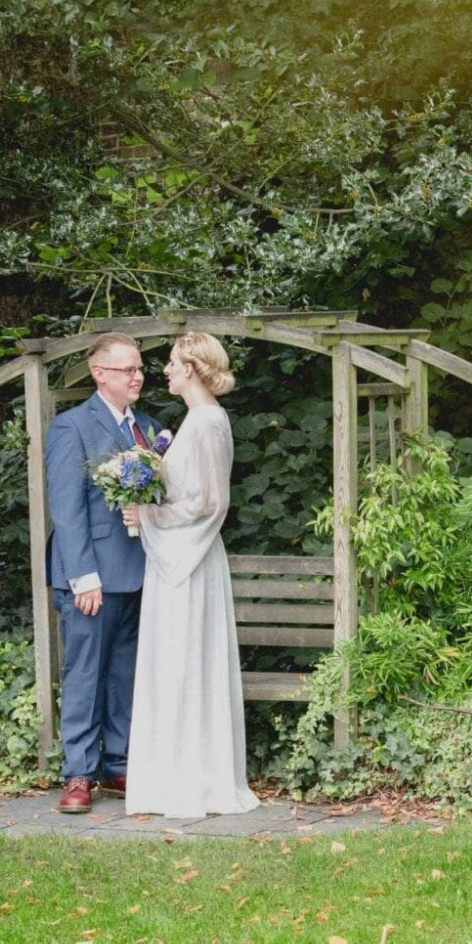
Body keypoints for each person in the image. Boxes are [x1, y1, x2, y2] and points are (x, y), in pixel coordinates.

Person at [120, 331, 259, 819]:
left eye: (175, 363)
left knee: (185, 661)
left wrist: (148, 516)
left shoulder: (204, 423)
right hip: (184, 557)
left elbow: (209, 502)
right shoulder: (201, 420)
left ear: (195, 369)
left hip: (188, 562)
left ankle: (192, 784)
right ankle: (178, 778)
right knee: (178, 662)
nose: (166, 371)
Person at [44, 332, 167, 815]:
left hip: (140, 572)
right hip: (91, 578)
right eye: (128, 370)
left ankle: (118, 763)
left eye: (140, 369)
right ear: (100, 374)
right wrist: (83, 577)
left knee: (125, 674)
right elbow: (67, 508)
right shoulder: (72, 427)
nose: (138, 377)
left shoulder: (149, 429)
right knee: (84, 675)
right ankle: (78, 772)